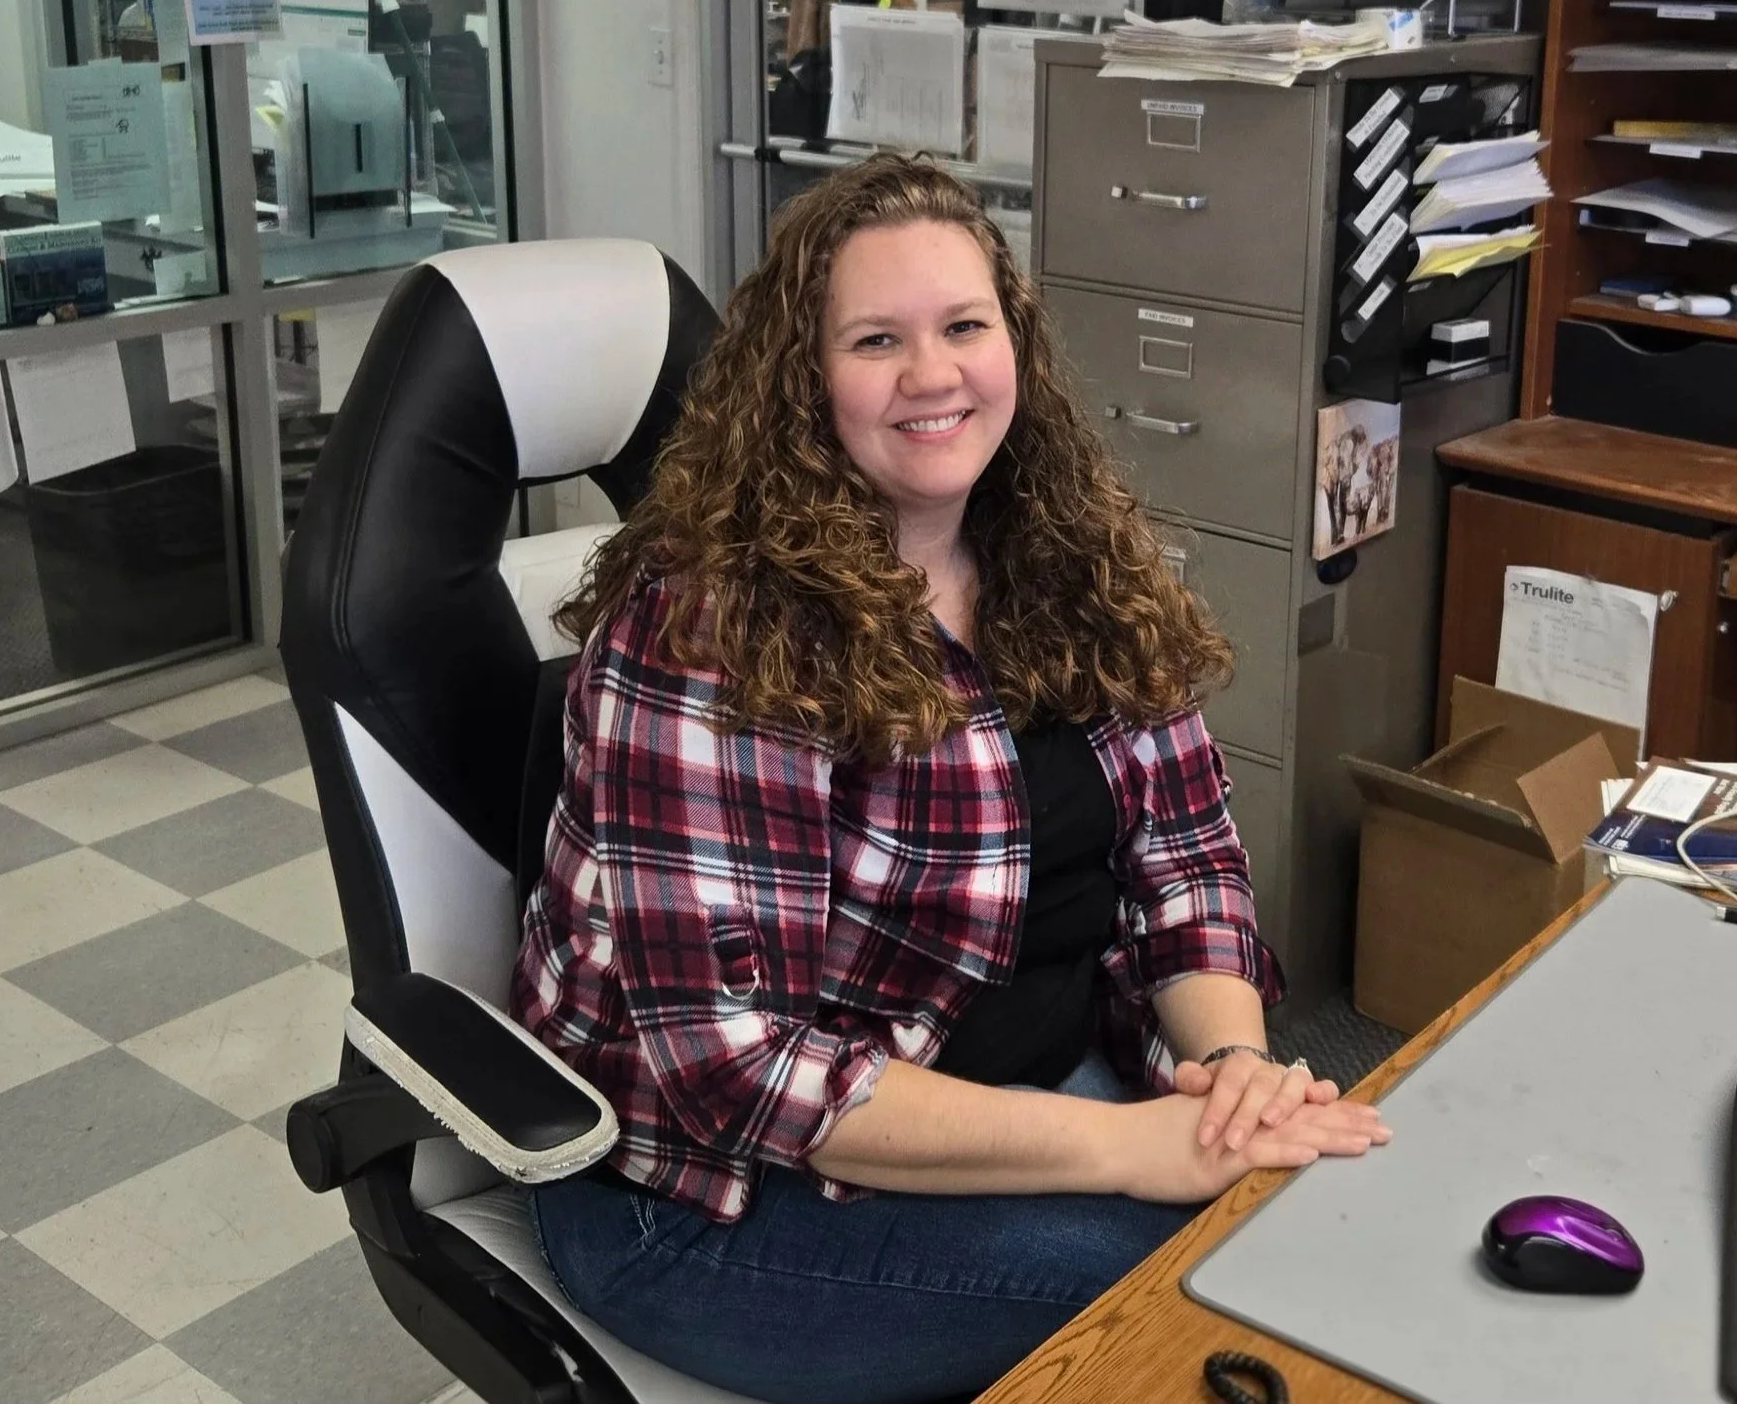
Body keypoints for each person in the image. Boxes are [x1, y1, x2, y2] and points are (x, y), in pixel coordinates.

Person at [513, 155, 1388, 1404]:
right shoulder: (711, 633)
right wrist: (1131, 1148)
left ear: (1013, 346)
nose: (934, 375)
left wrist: (1233, 1068)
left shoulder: (1066, 555)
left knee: (1317, 1193)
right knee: (1233, 1295)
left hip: (1022, 1092)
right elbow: (736, 1066)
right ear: (802, 383)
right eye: (877, 339)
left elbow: (1186, 861)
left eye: (964, 326)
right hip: (714, 1202)